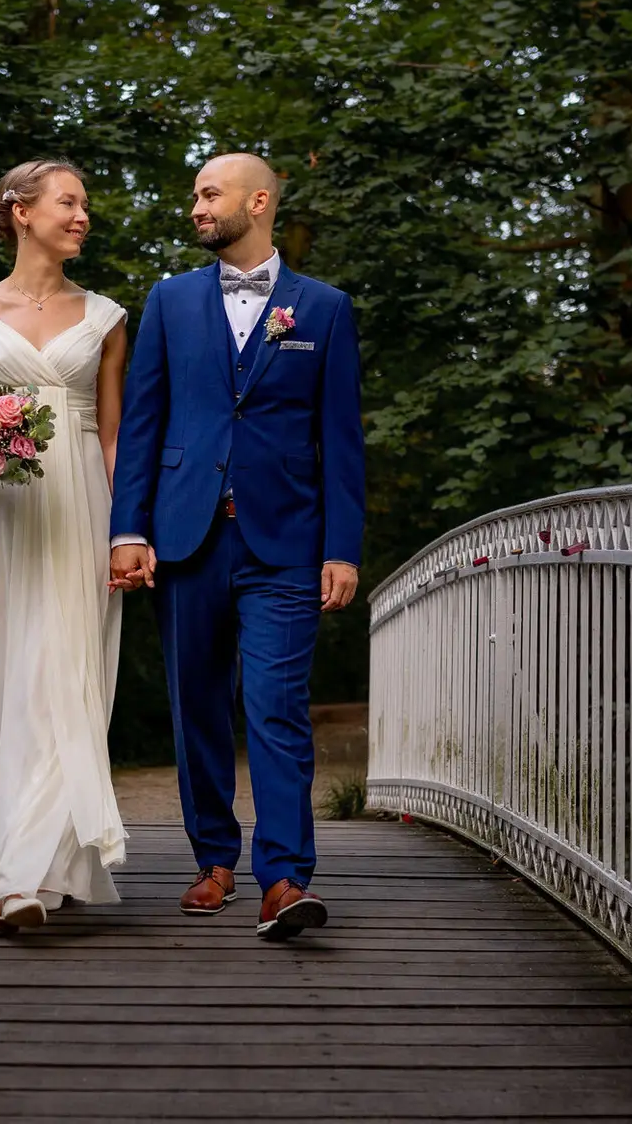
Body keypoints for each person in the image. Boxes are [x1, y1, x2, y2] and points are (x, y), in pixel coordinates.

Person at [108, 152, 366, 941]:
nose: (196, 207)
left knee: (279, 709)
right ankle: (214, 858)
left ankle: (284, 879)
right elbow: (143, 422)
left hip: (285, 540)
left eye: (209, 194)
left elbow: (341, 439)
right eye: (193, 194)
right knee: (198, 711)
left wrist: (343, 548)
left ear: (257, 202)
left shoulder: (322, 310)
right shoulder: (170, 301)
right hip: (185, 535)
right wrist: (128, 527)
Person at [0, 158, 130, 933]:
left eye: (85, 203)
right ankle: (18, 876)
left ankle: (24, 877)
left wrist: (127, 530)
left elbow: (115, 435)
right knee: (10, 680)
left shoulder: (110, 318)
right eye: (68, 202)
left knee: (66, 683)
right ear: (19, 210)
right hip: (2, 509)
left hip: (81, 504)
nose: (82, 215)